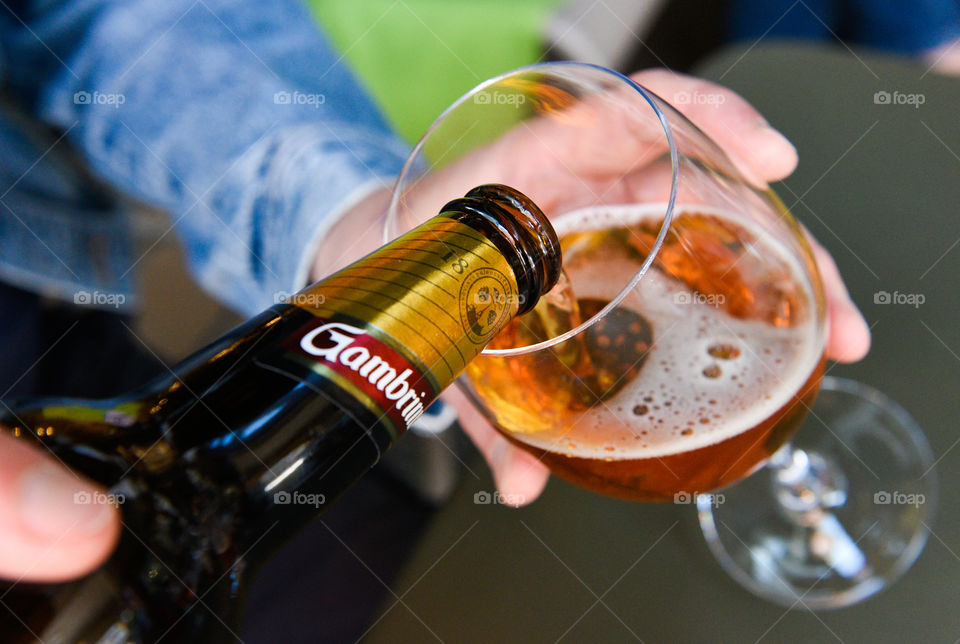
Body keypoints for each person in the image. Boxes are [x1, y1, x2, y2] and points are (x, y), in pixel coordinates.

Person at [0, 0, 870, 590]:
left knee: (396, 560)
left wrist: (360, 226)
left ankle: (781, 468)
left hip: (66, 363)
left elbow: (108, 17)